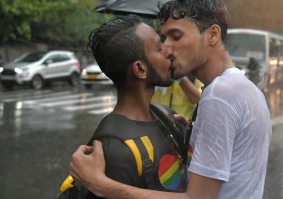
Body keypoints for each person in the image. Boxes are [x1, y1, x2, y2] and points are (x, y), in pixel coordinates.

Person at [69, 0, 272, 199]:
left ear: (212, 34)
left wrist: (101, 185)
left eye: (176, 36)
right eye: (162, 41)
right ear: (139, 69)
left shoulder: (220, 95)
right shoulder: (245, 89)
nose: (168, 48)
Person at [59, 15, 188, 198]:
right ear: (140, 69)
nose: (169, 50)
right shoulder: (115, 149)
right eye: (159, 48)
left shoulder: (167, 116)